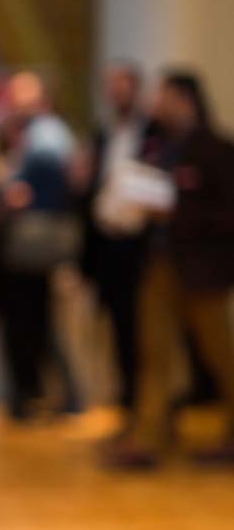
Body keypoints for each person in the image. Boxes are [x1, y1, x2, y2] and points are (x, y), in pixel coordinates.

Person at [105, 72, 234, 469]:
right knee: (154, 354)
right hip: (161, 263)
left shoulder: (215, 149)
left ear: (185, 99)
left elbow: (225, 213)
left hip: (203, 270)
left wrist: (177, 212)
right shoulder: (160, 147)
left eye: (164, 97)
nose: (157, 105)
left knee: (220, 355)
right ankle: (148, 437)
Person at [0, 71, 80, 420]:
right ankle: (42, 393)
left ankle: (56, 394)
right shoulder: (28, 136)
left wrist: (6, 185)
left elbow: (23, 192)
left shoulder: (47, 135)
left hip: (33, 242)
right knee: (33, 322)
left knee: (37, 322)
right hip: (23, 244)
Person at [77, 61, 149, 428]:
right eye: (111, 86)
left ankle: (148, 408)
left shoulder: (152, 132)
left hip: (143, 246)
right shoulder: (104, 134)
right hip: (109, 246)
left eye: (122, 85)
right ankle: (128, 404)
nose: (116, 92)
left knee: (145, 329)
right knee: (118, 328)